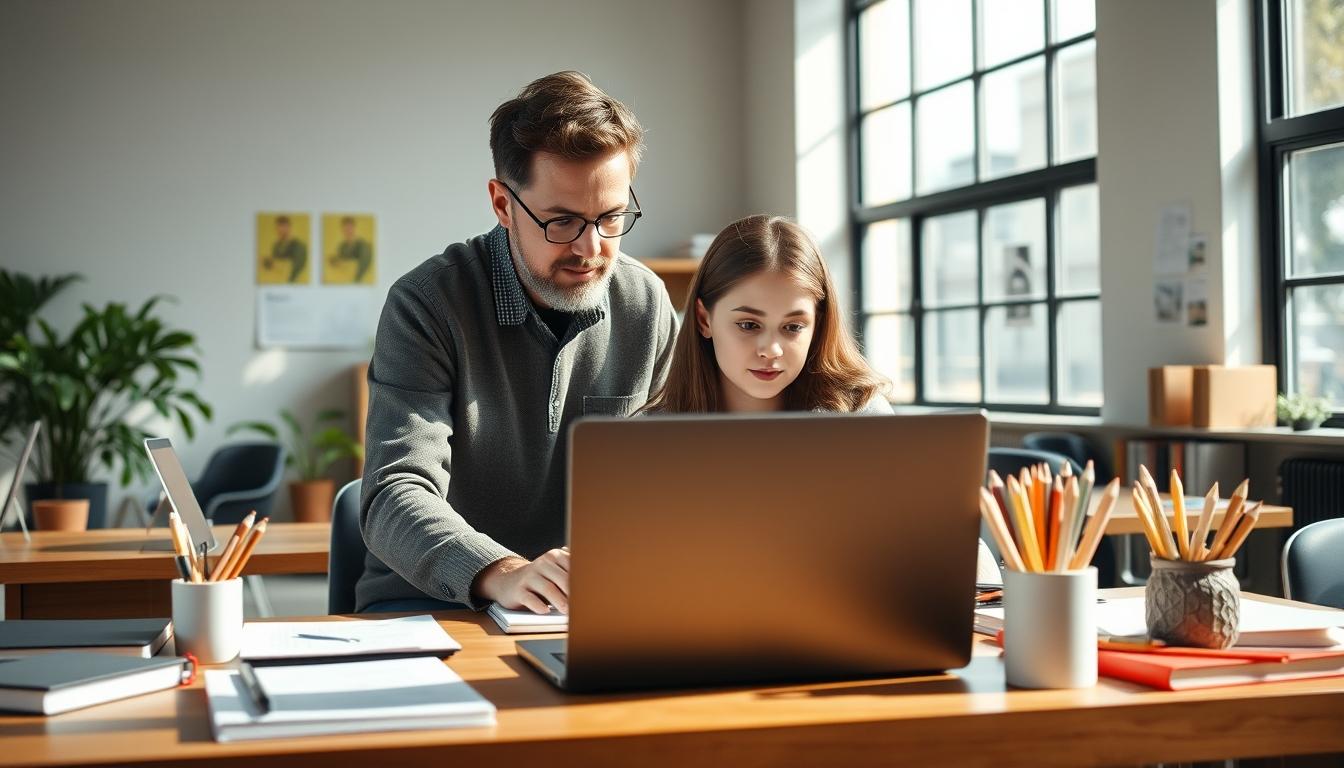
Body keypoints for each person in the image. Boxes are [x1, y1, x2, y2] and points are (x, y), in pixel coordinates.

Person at [357, 71, 677, 615]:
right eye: (562, 222)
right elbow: (393, 494)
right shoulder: (427, 304)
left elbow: (677, 477)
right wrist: (503, 573)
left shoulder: (644, 302)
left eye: (612, 218)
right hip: (433, 609)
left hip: (588, 610)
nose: (590, 247)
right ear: (503, 205)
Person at [643, 214, 890, 415]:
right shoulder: (654, 434)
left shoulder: (863, 418)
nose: (771, 350)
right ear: (704, 319)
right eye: (749, 325)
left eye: (793, 327)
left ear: (818, 325)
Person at [328, 215, 373, 283]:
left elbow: (363, 266)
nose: (348, 231)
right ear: (343, 230)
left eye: (350, 228)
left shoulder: (362, 245)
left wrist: (355, 281)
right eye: (346, 229)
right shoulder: (342, 246)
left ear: (354, 228)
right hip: (343, 279)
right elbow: (339, 260)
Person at [269, 215, 307, 283]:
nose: (281, 230)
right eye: (278, 227)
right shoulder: (276, 246)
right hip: (277, 282)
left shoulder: (299, 246)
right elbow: (273, 265)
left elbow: (296, 268)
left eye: (283, 226)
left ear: (289, 227)